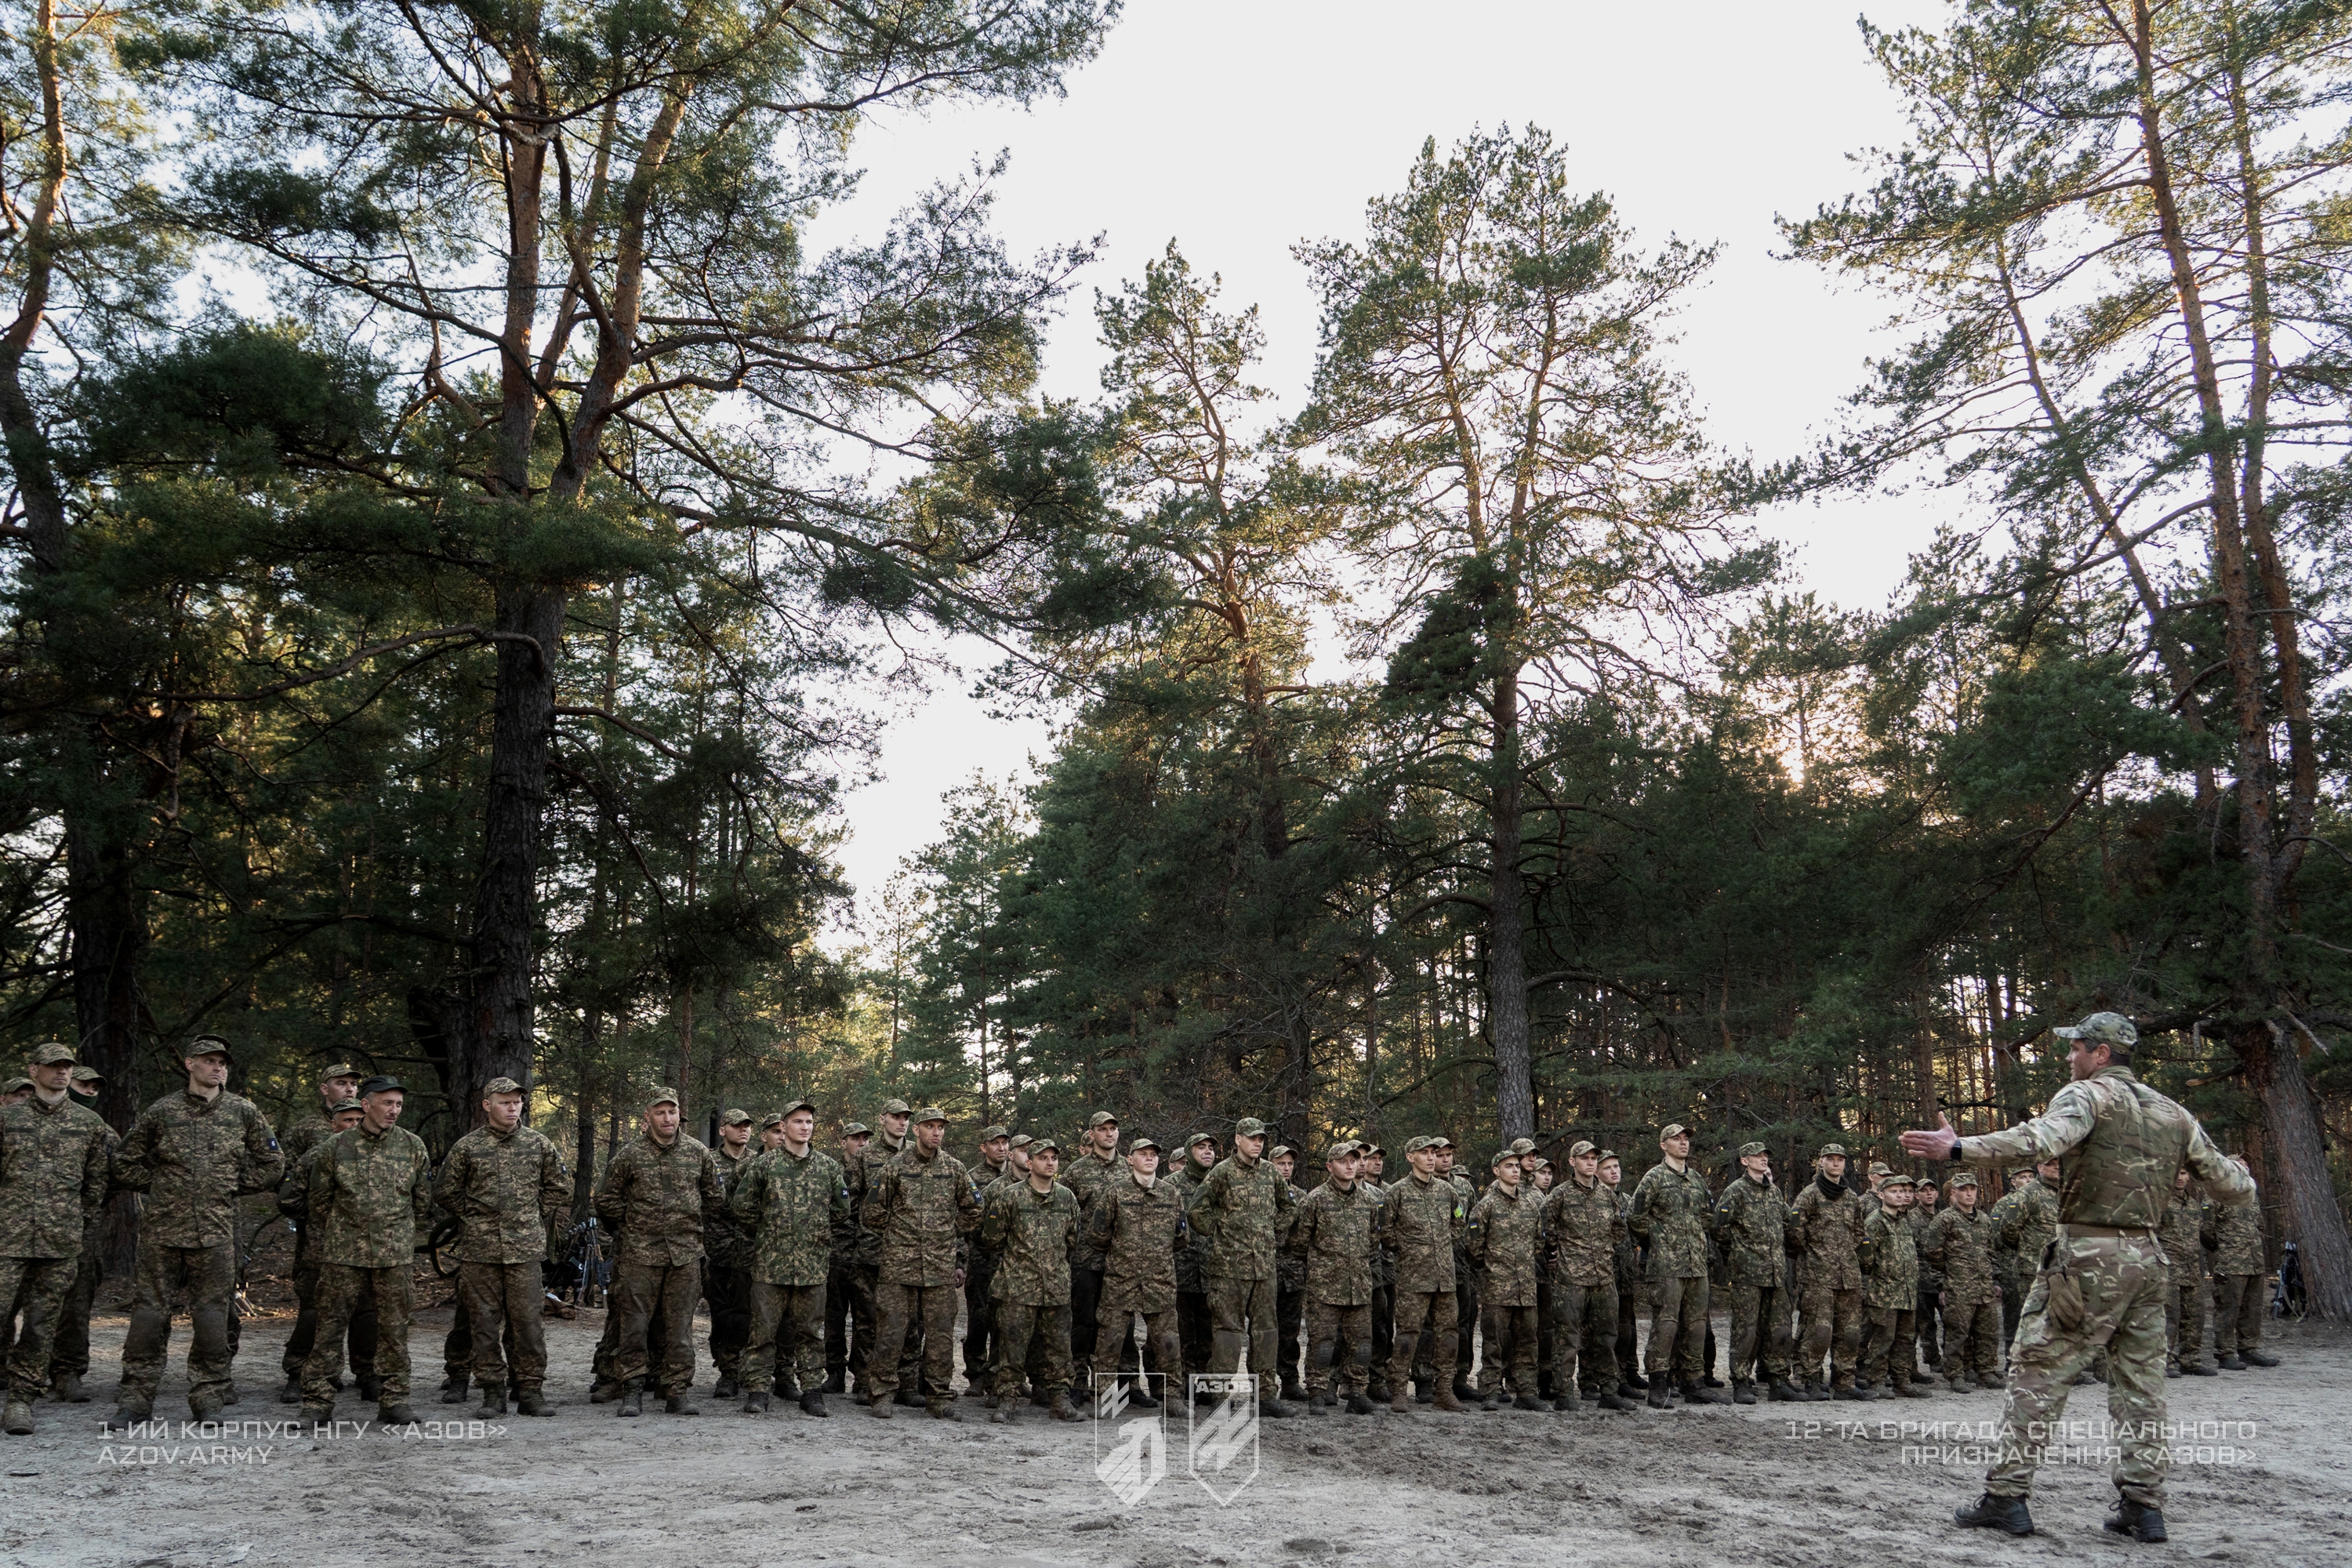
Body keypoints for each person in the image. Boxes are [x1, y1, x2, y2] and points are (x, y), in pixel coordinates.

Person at [1901, 1011, 2256, 1542]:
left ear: (2101, 1054)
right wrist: (2244, 1174)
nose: (2070, 1057)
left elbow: (2041, 1139)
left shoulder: (2089, 1095)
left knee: (2036, 1374)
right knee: (2142, 1389)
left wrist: (1959, 1147)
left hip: (2088, 1255)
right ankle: (2144, 1508)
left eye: (2076, 1048)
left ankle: (2006, 1497)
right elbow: (2234, 1187)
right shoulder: (2175, 1114)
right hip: (2148, 1259)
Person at [111, 1035, 282, 1424]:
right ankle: (136, 1399)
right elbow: (123, 1161)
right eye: (209, 1060)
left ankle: (208, 1396)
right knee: (149, 1316)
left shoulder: (243, 1111)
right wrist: (159, 1185)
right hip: (162, 1233)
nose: (218, 1067)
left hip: (216, 1232)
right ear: (190, 1064)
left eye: (223, 1062)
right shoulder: (163, 1111)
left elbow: (272, 1163)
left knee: (212, 1317)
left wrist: (230, 1185)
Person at [298, 1076, 434, 1426]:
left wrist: (397, 1233)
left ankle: (395, 1400)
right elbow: (319, 1201)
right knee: (329, 1328)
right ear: (367, 1105)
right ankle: (317, 1402)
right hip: (344, 1254)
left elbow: (421, 1202)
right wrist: (348, 1230)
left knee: (394, 1330)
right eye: (387, 1103)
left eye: (399, 1105)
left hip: (394, 1256)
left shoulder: (413, 1146)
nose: (394, 1111)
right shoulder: (336, 1147)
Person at [434, 1076, 568, 1416]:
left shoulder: (538, 1144)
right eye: (504, 1101)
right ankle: (492, 1392)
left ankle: (530, 1391)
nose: (512, 1107)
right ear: (487, 1105)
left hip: (524, 1250)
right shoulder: (468, 1147)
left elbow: (560, 1186)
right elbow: (445, 1191)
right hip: (481, 1252)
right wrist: (474, 1216)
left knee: (528, 1324)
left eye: (517, 1101)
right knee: (484, 1324)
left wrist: (532, 1211)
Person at [0, 1043, 112, 1436]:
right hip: (7, 1240)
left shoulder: (89, 1125)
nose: (62, 1073)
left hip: (59, 1243)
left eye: (67, 1066)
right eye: (53, 1066)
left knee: (40, 1326)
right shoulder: (8, 1120)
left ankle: (20, 1401)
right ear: (34, 1071)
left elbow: (96, 1183)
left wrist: (74, 1221)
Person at [595, 1088, 725, 1417]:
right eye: (660, 1112)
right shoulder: (630, 1155)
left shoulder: (697, 1153)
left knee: (680, 1328)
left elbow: (715, 1197)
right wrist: (634, 1222)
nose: (667, 1118)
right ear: (648, 1117)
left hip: (685, 1255)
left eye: (672, 1112)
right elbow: (605, 1199)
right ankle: (633, 1389)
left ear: (680, 1114)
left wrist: (689, 1223)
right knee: (634, 1325)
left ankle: (676, 1390)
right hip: (640, 1255)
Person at [732, 1098, 850, 1416]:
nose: (804, 1127)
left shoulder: (827, 1167)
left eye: (809, 1122)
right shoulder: (764, 1165)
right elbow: (741, 1207)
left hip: (812, 1267)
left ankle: (812, 1392)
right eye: (798, 1121)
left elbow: (842, 1210)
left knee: (811, 1332)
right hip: (771, 1266)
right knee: (763, 1330)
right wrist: (769, 1231)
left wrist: (813, 1232)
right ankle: (758, 1390)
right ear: (783, 1127)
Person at [862, 1107, 981, 1418]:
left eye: (941, 1127)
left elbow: (973, 1210)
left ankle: (939, 1396)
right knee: (891, 1332)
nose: (936, 1133)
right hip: (898, 1266)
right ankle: (883, 1394)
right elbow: (871, 1212)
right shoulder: (895, 1166)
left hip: (939, 1267)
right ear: (917, 1130)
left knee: (941, 1336)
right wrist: (899, 1234)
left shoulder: (954, 1169)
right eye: (930, 1126)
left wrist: (949, 1232)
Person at [1188, 1116, 1298, 1417]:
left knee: (1266, 1332)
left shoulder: (1271, 1174)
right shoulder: (1221, 1173)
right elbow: (1196, 1209)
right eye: (1252, 1138)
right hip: (1229, 1268)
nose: (1258, 1143)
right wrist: (1218, 1230)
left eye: (1261, 1139)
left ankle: (1265, 1396)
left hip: (1264, 1267)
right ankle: (1218, 1396)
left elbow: (1289, 1206)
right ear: (1238, 1140)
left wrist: (1273, 1230)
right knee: (1227, 1333)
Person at [276, 1102, 373, 1405]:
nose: (354, 1125)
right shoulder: (317, 1155)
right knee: (314, 1313)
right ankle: (299, 1373)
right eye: (347, 1120)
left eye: (360, 1119)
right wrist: (325, 1217)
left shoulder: (379, 1155)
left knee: (367, 1312)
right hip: (322, 1250)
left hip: (367, 1250)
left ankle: (368, 1373)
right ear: (334, 1124)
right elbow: (288, 1200)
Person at [983, 1136, 1080, 1424]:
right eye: (1043, 1158)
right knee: (1012, 1348)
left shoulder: (1066, 1198)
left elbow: (1072, 1240)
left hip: (1056, 1287)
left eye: (1054, 1159)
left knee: (1059, 1349)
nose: (1050, 1163)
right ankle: (1007, 1400)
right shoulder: (1010, 1196)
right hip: (1017, 1287)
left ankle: (1060, 1400)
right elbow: (992, 1238)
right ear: (1030, 1162)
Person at [41, 1055, 118, 1406]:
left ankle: (68, 1371)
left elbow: (114, 1177)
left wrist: (86, 1210)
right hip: (19, 1228)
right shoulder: (23, 1119)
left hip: (79, 1231)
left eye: (93, 1087)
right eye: (82, 1085)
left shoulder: (98, 1128)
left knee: (75, 1303)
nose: (88, 1090)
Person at [1627, 1123, 1722, 1407]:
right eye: (1676, 1139)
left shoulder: (1696, 1180)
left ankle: (1693, 1383)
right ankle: (1657, 1385)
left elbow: (1707, 1215)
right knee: (1665, 1326)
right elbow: (1635, 1217)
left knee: (1696, 1326)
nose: (1683, 1143)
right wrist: (1658, 1240)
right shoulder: (1653, 1178)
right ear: (1663, 1145)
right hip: (1666, 1266)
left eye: (1685, 1139)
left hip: (1696, 1265)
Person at [1287, 1140, 1380, 1414]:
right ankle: (1317, 1391)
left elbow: (1374, 1241)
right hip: (1325, 1287)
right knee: (1323, 1343)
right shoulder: (1314, 1199)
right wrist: (1324, 1265)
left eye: (1354, 1160)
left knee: (1362, 1344)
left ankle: (1357, 1393)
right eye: (1343, 1161)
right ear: (1330, 1167)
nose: (1351, 1165)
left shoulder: (1368, 1201)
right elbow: (1298, 1242)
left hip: (1359, 1286)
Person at [1089, 1135, 1183, 1404]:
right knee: (1109, 1341)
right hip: (1121, 1278)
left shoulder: (1170, 1193)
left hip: (1160, 1280)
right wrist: (1125, 1256)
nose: (1150, 1157)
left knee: (1167, 1343)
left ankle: (1172, 1396)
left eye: (1154, 1154)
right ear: (1130, 1159)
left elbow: (1181, 1236)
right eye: (1143, 1154)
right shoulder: (1116, 1192)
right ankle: (1103, 1396)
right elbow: (1098, 1235)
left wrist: (1155, 1257)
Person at [1543, 1139, 1632, 1411]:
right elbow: (1544, 1229)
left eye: (1594, 1158)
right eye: (1585, 1158)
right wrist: (1560, 1251)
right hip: (1571, 1279)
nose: (1591, 1162)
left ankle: (1608, 1390)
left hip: (1603, 1277)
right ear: (1573, 1162)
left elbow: (1618, 1229)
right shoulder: (1560, 1195)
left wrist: (1602, 1250)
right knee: (1568, 1338)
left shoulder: (1607, 1195)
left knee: (1606, 1336)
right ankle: (1564, 1393)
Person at [1381, 1136, 1465, 1412]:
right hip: (1413, 1276)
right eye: (1424, 1153)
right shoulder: (1397, 1193)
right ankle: (1399, 1390)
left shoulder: (1447, 1190)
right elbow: (1385, 1231)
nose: (1431, 1158)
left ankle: (1444, 1390)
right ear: (1409, 1157)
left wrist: (1442, 1241)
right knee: (1408, 1333)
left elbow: (1459, 1220)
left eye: (1434, 1153)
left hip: (1444, 1275)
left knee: (1449, 1333)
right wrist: (1408, 1248)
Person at [1711, 1139, 1796, 1403]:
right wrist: (1738, 1254)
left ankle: (1778, 1380)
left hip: (1775, 1273)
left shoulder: (1773, 1192)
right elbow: (1719, 1228)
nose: (1763, 1159)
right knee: (1746, 1330)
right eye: (1757, 1156)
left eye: (1765, 1155)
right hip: (1747, 1273)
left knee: (1779, 1328)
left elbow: (1787, 1222)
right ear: (1744, 1161)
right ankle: (1741, 1381)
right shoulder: (1735, 1192)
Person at [1788, 1141, 1865, 1400]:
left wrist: (1844, 1254)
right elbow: (1795, 1231)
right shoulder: (1809, 1195)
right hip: (1818, 1275)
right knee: (1818, 1332)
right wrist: (1816, 1254)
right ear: (1821, 1162)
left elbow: (1858, 1231)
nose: (1835, 1163)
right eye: (1830, 1158)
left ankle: (1844, 1382)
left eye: (1840, 1159)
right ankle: (1811, 1379)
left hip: (1849, 1276)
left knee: (1850, 1333)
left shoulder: (1852, 1197)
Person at [1465, 1149, 1543, 1410]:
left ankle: (1526, 1393)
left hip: (1526, 1287)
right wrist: (1492, 1267)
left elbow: (1538, 1241)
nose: (1516, 1170)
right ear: (1497, 1171)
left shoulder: (1530, 1205)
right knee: (1495, 1343)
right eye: (1509, 1166)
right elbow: (1474, 1246)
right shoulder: (1486, 1205)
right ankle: (1490, 1392)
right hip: (1497, 1287)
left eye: (1517, 1166)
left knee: (1527, 1343)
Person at [844, 1100, 910, 1399]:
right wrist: (854, 1242)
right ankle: (863, 1381)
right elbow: (850, 1204)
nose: (902, 1123)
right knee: (868, 1320)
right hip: (870, 1252)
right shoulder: (865, 1156)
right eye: (896, 1117)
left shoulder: (917, 1155)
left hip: (909, 1254)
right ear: (883, 1119)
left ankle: (907, 1384)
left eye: (906, 1118)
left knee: (909, 1322)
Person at [1922, 1172, 2004, 1392]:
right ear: (1954, 1193)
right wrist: (1947, 1277)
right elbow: (1932, 1252)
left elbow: (1990, 1251)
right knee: (1958, 1334)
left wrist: (1994, 1279)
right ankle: (1955, 1374)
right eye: (1964, 1189)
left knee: (1989, 1332)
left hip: (1984, 1286)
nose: (1969, 1193)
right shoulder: (1945, 1219)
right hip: (1959, 1288)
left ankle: (1985, 1371)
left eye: (1973, 1189)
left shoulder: (1983, 1219)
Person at [1062, 1111, 1121, 1392]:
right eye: (1103, 1129)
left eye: (1113, 1129)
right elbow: (1064, 1213)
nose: (1109, 1134)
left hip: (1122, 1261)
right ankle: (1077, 1382)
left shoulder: (1129, 1169)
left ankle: (1119, 1385)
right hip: (1085, 1259)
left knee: (1120, 1326)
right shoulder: (1076, 1171)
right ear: (1092, 1134)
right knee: (1082, 1322)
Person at [1857, 1175, 1928, 1398]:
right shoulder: (1875, 1222)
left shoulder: (1903, 1221)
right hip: (1884, 1293)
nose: (1900, 1195)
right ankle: (1876, 1381)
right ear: (1881, 1195)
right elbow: (1866, 1259)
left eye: (1902, 1191)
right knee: (1882, 1339)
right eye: (1894, 1192)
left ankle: (1902, 1381)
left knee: (1905, 1340)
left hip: (1906, 1292)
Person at [2205, 1157, 2274, 1370]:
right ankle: (2225, 1353)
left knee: (2252, 1309)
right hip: (2230, 1264)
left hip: (2255, 1262)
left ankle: (2249, 1350)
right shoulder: (2216, 1195)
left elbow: (2259, 1227)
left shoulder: (2251, 1197)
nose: (2244, 1167)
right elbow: (2205, 1229)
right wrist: (2224, 1250)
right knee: (2228, 1308)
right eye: (2239, 1165)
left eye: (2246, 1164)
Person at [1990, 1161, 2060, 1354]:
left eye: (2029, 1177)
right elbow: (2005, 1232)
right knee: (2023, 1316)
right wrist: (2026, 1248)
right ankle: (2018, 1359)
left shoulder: (2062, 1193)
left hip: (2058, 1267)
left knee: (2058, 1315)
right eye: (2022, 1177)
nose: (2027, 1180)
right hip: (2025, 1266)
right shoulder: (2019, 1198)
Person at [822, 1120, 870, 1394]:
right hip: (836, 1254)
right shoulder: (831, 1170)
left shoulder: (878, 1171)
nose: (861, 1143)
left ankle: (862, 1375)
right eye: (856, 1138)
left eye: (865, 1139)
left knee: (867, 1318)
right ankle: (835, 1373)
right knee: (834, 1318)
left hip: (866, 1254)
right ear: (843, 1142)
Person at [964, 1125, 1011, 1393]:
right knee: (979, 1320)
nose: (1001, 1148)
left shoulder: (1019, 1177)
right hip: (981, 1261)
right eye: (995, 1143)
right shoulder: (972, 1178)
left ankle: (1005, 1375)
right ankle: (976, 1373)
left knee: (1008, 1321)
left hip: (1010, 1264)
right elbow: (965, 1221)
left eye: (1005, 1143)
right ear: (983, 1147)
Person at [1171, 1131, 1219, 1388]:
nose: (1207, 1151)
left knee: (1210, 1334)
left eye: (1211, 1147)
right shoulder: (1171, 1184)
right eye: (1201, 1147)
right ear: (1189, 1152)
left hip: (1214, 1271)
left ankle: (1207, 1385)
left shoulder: (1222, 1181)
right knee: (1182, 1334)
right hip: (1181, 1271)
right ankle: (1184, 1385)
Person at [2157, 1167, 2210, 1377]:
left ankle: (2191, 1360)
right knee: (2169, 1317)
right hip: (2168, 1267)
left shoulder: (2194, 1204)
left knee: (2195, 1316)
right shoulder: (2159, 1202)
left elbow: (2200, 1236)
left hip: (2192, 1268)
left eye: (2185, 1173)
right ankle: (2165, 1362)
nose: (2180, 1178)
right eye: (2176, 1172)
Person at [1270, 1145, 1309, 1403]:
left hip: (1293, 1273)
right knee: (1263, 1332)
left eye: (1290, 1164)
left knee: (1290, 1332)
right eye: (1281, 1163)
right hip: (1266, 1271)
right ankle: (1262, 1384)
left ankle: (1290, 1381)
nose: (1286, 1168)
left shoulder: (1301, 1195)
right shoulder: (1262, 1192)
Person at [1356, 1142, 1394, 1399]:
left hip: (1381, 1267)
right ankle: (1342, 1381)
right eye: (1371, 1158)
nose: (1375, 1162)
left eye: (1379, 1158)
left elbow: (1387, 1231)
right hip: (1347, 1270)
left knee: (1382, 1325)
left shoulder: (1385, 1193)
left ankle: (1377, 1378)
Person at [1911, 1177, 1944, 1381]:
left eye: (1932, 1190)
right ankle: (1933, 1360)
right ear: (1917, 1195)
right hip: (1922, 1280)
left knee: (1951, 1321)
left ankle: (1950, 1359)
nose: (1929, 1194)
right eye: (1924, 1191)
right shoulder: (1912, 1218)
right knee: (1926, 1324)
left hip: (1943, 1279)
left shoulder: (1944, 1217)